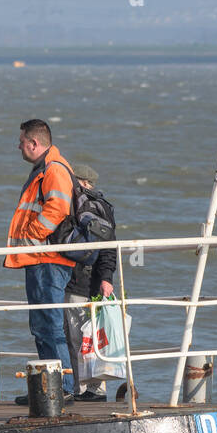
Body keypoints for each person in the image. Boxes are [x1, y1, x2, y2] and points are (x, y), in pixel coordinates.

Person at [6, 119, 77, 403]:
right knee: (42, 326)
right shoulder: (48, 167)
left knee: (50, 325)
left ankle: (63, 388)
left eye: (22, 141)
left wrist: (32, 235)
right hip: (41, 258)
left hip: (48, 259)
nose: (19, 146)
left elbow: (57, 208)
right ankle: (50, 387)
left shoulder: (54, 169)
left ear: (34, 144)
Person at [63, 164, 117, 402]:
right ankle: (93, 388)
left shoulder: (79, 205)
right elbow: (110, 246)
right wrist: (106, 278)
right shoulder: (103, 206)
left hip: (78, 281)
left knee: (76, 337)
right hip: (93, 281)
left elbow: (107, 246)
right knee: (93, 338)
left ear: (80, 182)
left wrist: (106, 277)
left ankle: (84, 388)